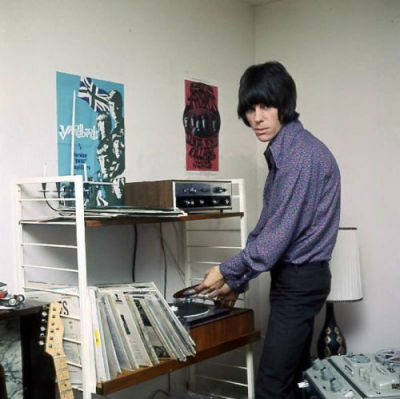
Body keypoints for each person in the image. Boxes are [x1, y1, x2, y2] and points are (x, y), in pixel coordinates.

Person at [195, 61, 341, 399]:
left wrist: (225, 271)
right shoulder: (288, 151)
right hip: (295, 278)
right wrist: (237, 281)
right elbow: (271, 229)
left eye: (266, 106)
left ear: (284, 107)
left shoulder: (300, 156)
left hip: (300, 281)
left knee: (272, 387)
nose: (257, 118)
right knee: (294, 380)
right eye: (250, 108)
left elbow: (277, 237)